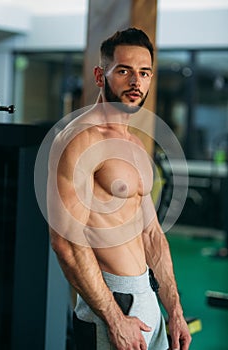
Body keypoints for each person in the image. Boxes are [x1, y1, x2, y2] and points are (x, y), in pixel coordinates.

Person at [47, 28, 191, 350]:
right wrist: (113, 317)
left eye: (144, 73)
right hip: (111, 306)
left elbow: (152, 235)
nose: (135, 82)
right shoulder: (79, 139)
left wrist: (175, 311)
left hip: (146, 300)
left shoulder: (135, 145)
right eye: (124, 71)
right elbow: (66, 243)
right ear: (100, 75)